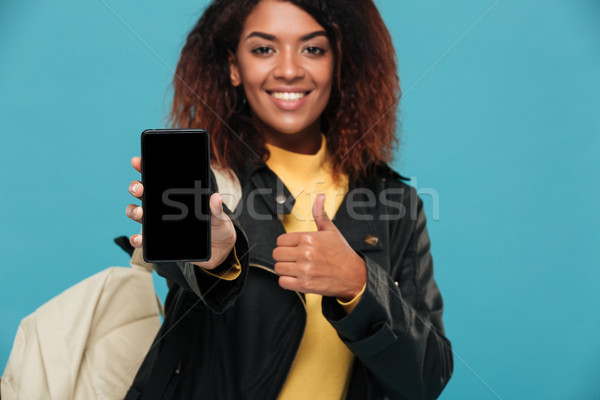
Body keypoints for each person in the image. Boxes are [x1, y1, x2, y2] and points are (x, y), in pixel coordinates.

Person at [123, 0, 453, 398]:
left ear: (339, 63)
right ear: (233, 67)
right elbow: (176, 263)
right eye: (264, 49)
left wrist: (360, 286)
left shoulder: (394, 202)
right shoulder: (199, 176)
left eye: (313, 49)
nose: (289, 69)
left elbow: (427, 379)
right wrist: (220, 260)